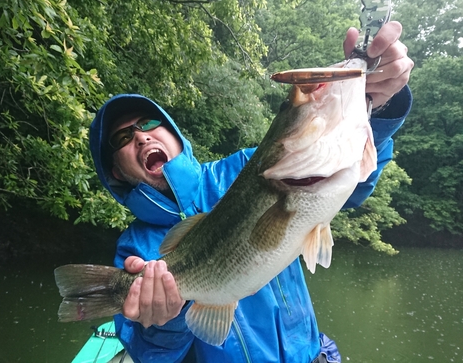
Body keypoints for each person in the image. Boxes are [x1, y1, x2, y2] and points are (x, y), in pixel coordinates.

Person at [89, 21, 414, 363]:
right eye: (122, 139)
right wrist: (163, 323)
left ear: (175, 135)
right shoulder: (133, 249)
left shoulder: (247, 168)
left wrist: (378, 104)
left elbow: (355, 179)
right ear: (116, 171)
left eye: (150, 124)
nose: (141, 137)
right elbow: (152, 355)